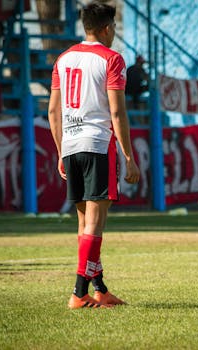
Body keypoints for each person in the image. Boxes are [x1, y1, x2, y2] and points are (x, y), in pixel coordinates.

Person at [48, 2, 140, 309]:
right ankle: (78, 292)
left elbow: (53, 111)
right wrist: (128, 156)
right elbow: (117, 111)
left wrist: (61, 152)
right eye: (113, 27)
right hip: (98, 145)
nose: (114, 32)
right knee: (95, 225)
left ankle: (99, 289)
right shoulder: (112, 59)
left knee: (84, 223)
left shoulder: (63, 58)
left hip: (71, 146)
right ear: (105, 28)